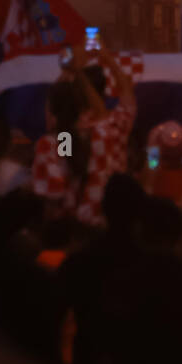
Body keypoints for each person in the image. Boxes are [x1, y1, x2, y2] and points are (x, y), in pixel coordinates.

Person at [31, 44, 136, 227]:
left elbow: (60, 178)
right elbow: (126, 92)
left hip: (80, 223)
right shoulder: (115, 125)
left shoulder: (67, 136)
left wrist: (73, 75)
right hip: (114, 220)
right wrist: (107, 57)